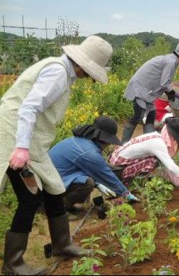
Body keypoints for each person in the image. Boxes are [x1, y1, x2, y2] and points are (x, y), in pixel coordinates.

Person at [0, 35, 113, 275]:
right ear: (82, 64)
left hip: (32, 142)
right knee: (30, 198)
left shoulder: (63, 71)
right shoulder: (58, 73)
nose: (90, 77)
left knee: (55, 188)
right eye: (91, 71)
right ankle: (13, 263)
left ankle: (62, 244)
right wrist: (20, 148)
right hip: (15, 137)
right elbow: (29, 107)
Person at [48, 116, 140, 220]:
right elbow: (106, 175)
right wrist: (126, 193)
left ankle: (61, 202)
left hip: (52, 178)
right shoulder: (89, 152)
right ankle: (60, 208)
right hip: (50, 185)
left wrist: (98, 183)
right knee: (88, 183)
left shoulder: (82, 142)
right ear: (105, 140)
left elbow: (89, 169)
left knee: (90, 179)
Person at [122, 42, 179, 143]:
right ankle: (123, 145)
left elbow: (164, 82)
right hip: (140, 89)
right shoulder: (171, 62)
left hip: (146, 91)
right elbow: (164, 83)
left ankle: (150, 144)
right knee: (137, 116)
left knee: (151, 116)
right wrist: (172, 93)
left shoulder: (171, 60)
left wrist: (172, 94)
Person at [109, 117, 179, 190]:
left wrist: (177, 182)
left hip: (120, 160)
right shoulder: (158, 143)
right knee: (153, 161)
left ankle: (135, 179)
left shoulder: (158, 137)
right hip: (118, 167)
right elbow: (171, 166)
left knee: (157, 161)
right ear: (172, 136)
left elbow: (168, 164)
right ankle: (123, 182)